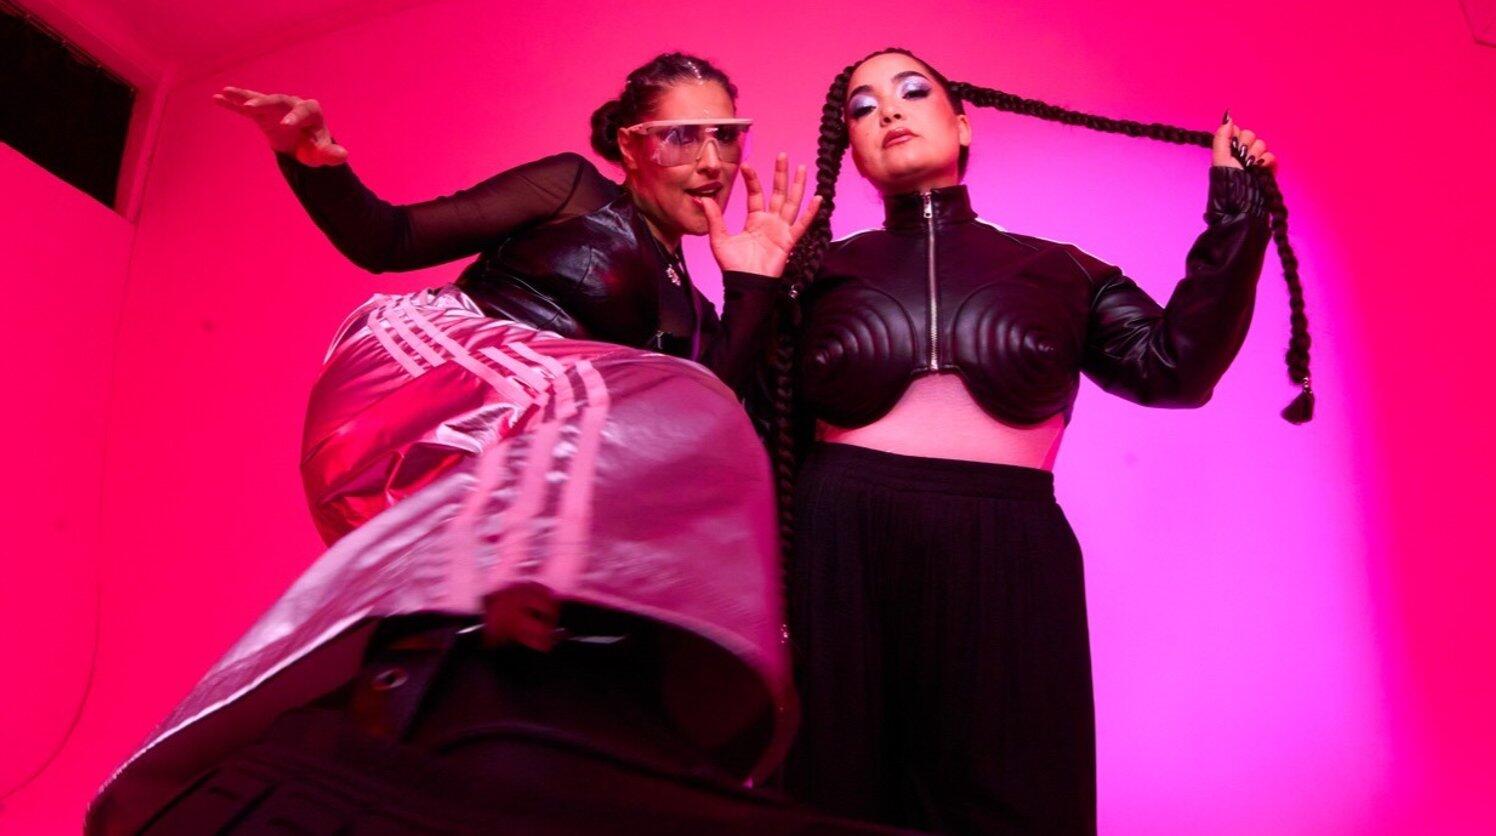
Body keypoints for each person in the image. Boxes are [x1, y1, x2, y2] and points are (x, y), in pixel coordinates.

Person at [86, 53, 899, 835]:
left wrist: (753, 282)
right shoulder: (570, 189)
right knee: (634, 406)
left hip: (513, 459)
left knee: (688, 436)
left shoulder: (694, 307)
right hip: (434, 379)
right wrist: (310, 158)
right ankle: (512, 584)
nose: (713, 161)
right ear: (629, 147)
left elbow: (695, 425)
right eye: (682, 137)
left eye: (726, 136)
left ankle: (507, 684)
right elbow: (391, 240)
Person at [758, 48, 1313, 834]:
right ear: (849, 149)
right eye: (862, 107)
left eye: (912, 90)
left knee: (1015, 795)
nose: (889, 111)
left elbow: (1176, 371)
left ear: (963, 124)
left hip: (1008, 546)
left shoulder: (1060, 271)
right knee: (836, 793)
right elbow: (753, 431)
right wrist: (754, 289)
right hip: (840, 543)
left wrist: (1237, 215)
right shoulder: (813, 275)